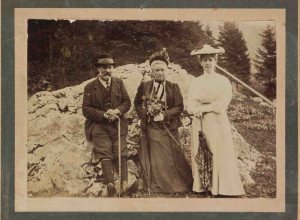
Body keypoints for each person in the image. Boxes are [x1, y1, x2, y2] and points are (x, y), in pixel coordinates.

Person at [187, 44, 245, 196]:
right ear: (200, 62)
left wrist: (202, 109)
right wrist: (194, 110)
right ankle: (203, 185)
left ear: (215, 61)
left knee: (217, 150)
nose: (208, 63)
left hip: (216, 120)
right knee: (201, 151)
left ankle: (220, 187)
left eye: (211, 60)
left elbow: (222, 103)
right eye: (205, 60)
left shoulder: (223, 80)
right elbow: (190, 101)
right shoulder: (196, 81)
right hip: (199, 121)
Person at [134, 49, 193, 193]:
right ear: (152, 72)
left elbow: (179, 107)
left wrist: (165, 115)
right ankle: (160, 186)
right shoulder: (145, 86)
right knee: (158, 156)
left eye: (162, 70)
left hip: (170, 126)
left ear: (166, 70)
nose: (160, 72)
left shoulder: (173, 87)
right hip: (152, 127)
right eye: (156, 70)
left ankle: (179, 185)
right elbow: (137, 103)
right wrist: (146, 114)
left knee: (175, 155)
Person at [82, 54, 137, 197]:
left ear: (113, 68)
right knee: (104, 149)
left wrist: (117, 111)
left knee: (120, 149)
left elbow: (127, 102)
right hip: (98, 125)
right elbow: (86, 109)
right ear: (98, 69)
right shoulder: (90, 87)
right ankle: (110, 184)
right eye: (104, 68)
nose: (107, 71)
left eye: (110, 67)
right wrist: (104, 114)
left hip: (117, 123)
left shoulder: (119, 83)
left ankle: (125, 184)